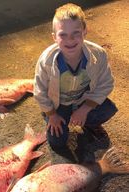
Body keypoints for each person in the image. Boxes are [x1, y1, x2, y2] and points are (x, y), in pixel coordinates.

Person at [34, 3, 118, 153]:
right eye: (63, 35)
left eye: (76, 33)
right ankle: (51, 116)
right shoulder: (46, 61)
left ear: (85, 31)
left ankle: (89, 123)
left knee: (108, 110)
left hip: (82, 98)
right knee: (57, 143)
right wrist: (52, 114)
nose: (70, 40)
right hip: (59, 104)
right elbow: (39, 91)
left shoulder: (98, 54)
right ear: (54, 37)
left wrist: (85, 109)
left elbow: (106, 84)